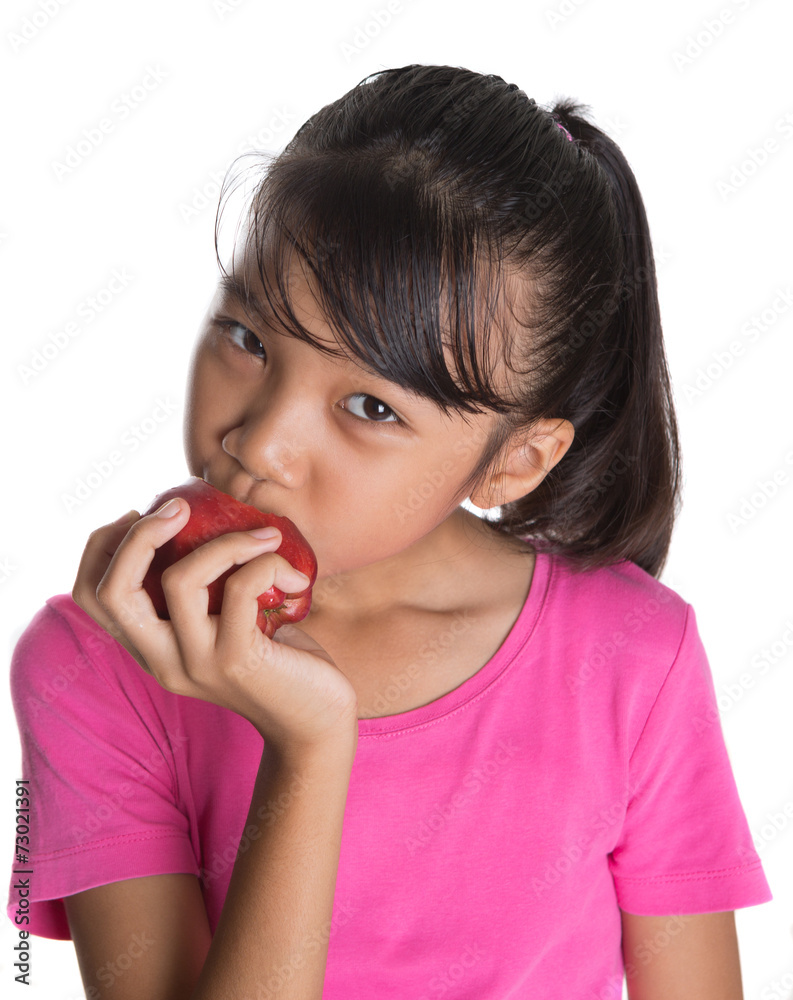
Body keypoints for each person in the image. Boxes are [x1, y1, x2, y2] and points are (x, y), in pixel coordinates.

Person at [6, 64, 773, 999]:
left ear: (514, 462)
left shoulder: (633, 658)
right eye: (249, 338)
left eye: (369, 405)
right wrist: (310, 745)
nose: (262, 442)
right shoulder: (98, 662)